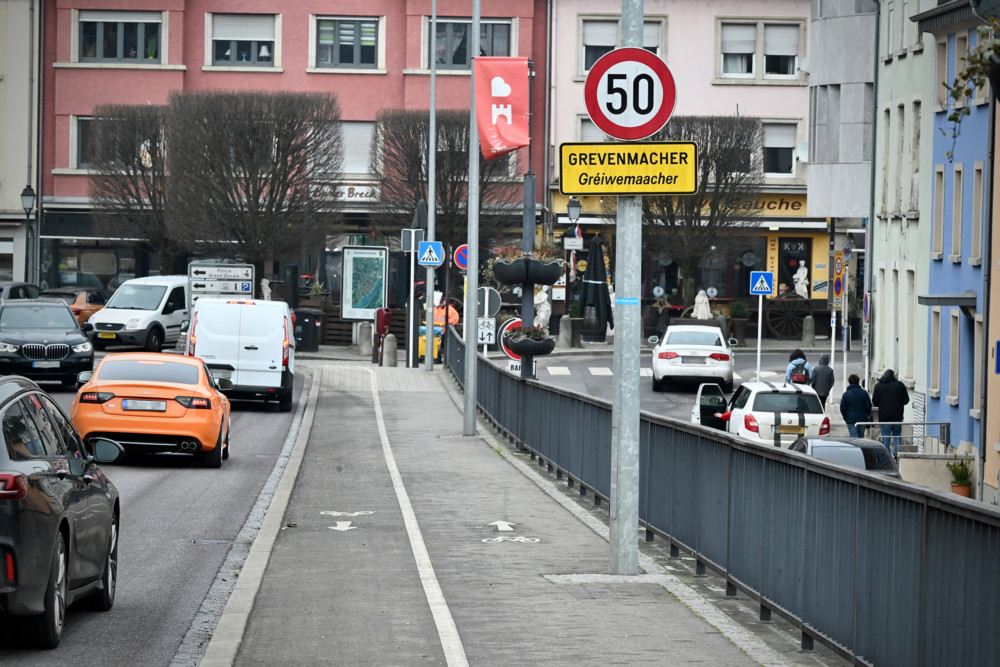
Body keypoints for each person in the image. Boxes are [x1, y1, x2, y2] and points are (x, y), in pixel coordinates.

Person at [872, 369, 909, 456]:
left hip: (884, 416)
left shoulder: (878, 385)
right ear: (893, 375)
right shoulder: (900, 385)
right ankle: (897, 453)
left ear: (884, 375)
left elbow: (875, 401)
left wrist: (883, 403)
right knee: (897, 434)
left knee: (886, 435)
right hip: (897, 415)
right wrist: (898, 404)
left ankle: (887, 454)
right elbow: (906, 400)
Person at [839, 374, 873, 438]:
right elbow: (868, 406)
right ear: (858, 381)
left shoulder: (846, 394)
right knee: (861, 437)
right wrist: (866, 414)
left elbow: (842, 408)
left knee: (853, 438)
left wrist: (846, 417)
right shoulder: (864, 393)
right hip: (862, 418)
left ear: (849, 382)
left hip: (850, 419)